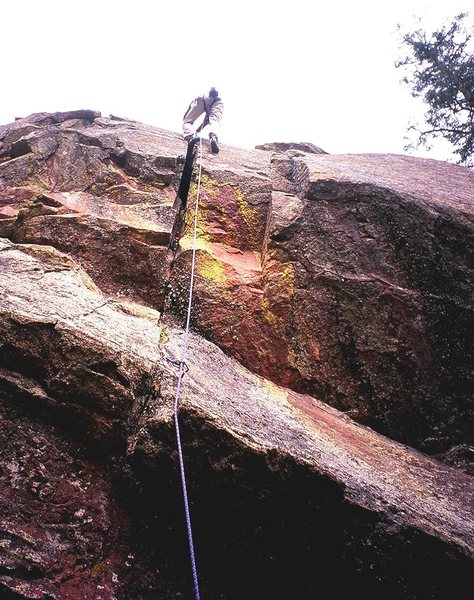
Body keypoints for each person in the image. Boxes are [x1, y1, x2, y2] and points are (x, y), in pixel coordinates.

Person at [182, 87, 224, 154]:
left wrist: (195, 133)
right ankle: (213, 138)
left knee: (187, 122)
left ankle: (191, 135)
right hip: (218, 102)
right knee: (214, 121)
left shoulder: (199, 98)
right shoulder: (217, 100)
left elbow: (186, 117)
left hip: (202, 99)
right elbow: (206, 122)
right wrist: (197, 131)